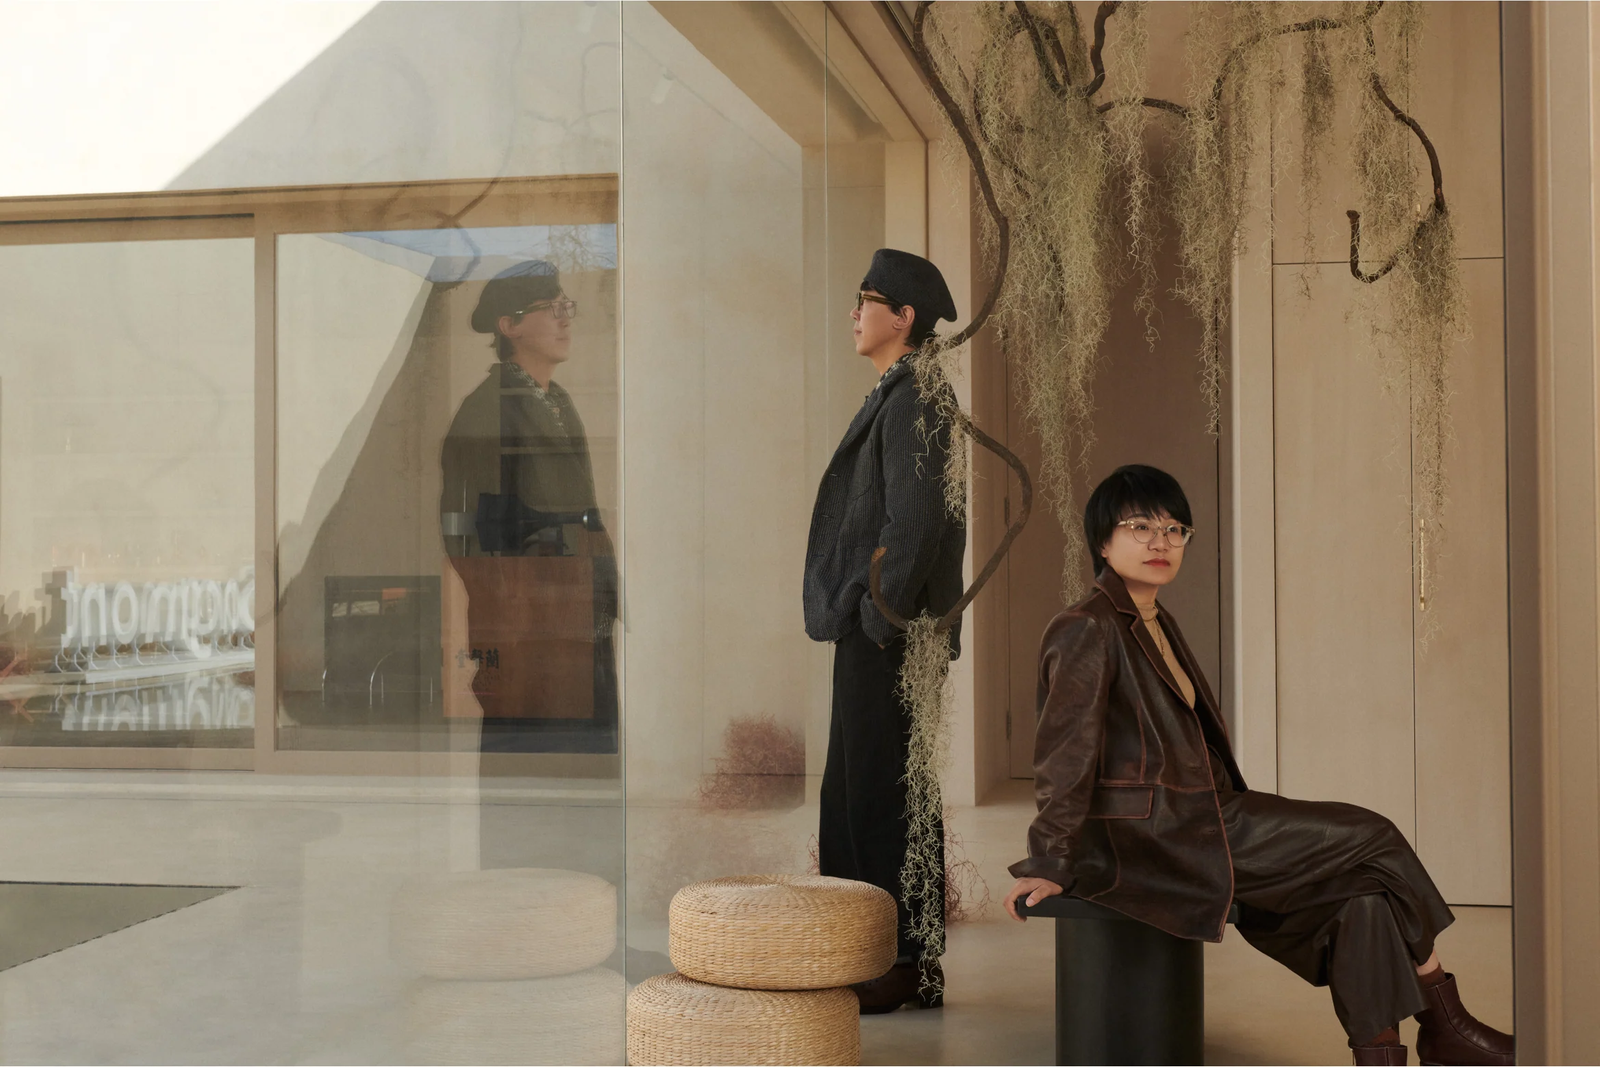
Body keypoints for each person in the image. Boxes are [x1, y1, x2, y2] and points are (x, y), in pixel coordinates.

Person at [1002, 464, 1513, 1066]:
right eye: (1140, 527)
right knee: (1374, 835)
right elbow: (1064, 752)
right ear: (1102, 542)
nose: (1161, 542)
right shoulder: (1085, 627)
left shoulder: (1154, 619)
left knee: (1365, 896)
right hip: (1156, 833)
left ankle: (1381, 1056)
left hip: (1201, 813)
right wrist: (1050, 858)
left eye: (1174, 529)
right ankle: (1446, 1023)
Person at [803, 248, 966, 1013]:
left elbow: (919, 522)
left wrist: (876, 616)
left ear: (903, 316)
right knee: (879, 788)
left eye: (865, 299)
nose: (854, 312)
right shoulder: (902, 390)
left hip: (890, 634)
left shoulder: (914, 396)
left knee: (878, 793)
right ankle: (906, 959)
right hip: (884, 629)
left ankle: (894, 960)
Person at [439, 260, 618, 742]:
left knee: (585, 752)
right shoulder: (490, 407)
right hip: (530, 624)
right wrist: (511, 616)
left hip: (575, 611)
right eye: (549, 309)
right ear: (510, 325)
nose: (564, 320)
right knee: (532, 748)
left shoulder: (558, 402)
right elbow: (466, 531)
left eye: (566, 307)